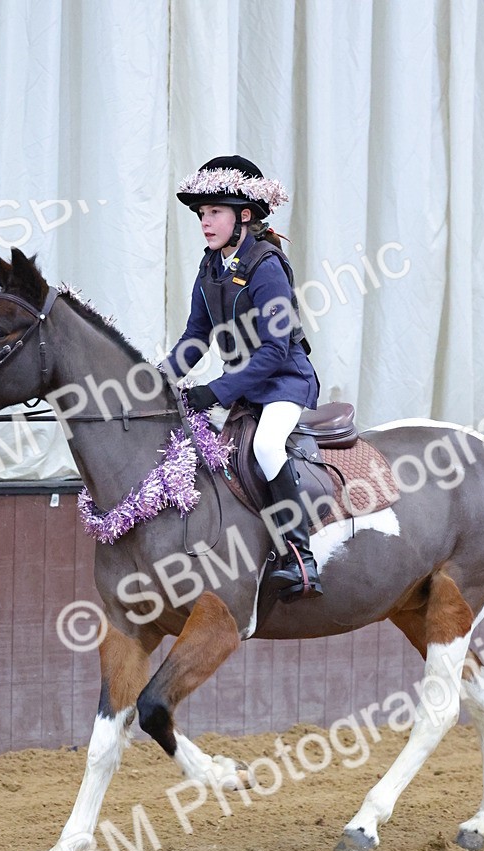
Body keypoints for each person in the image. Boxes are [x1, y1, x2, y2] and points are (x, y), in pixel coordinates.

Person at [163, 154, 322, 601]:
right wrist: (159, 380)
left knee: (267, 446)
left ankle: (299, 556)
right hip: (246, 387)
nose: (205, 222)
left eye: (214, 212)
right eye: (201, 214)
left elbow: (274, 350)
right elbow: (196, 337)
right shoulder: (210, 265)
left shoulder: (267, 265)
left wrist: (213, 392)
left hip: (284, 382)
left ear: (244, 215)